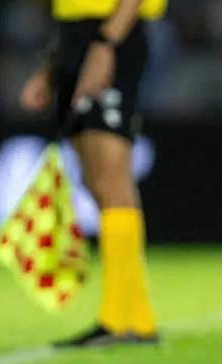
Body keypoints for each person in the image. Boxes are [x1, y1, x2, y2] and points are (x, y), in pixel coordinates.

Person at [20, 0, 165, 346]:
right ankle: (138, 317)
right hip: (76, 37)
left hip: (112, 32)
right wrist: (52, 67)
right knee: (95, 181)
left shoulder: (107, 42)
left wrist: (106, 44)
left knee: (110, 179)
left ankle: (118, 320)